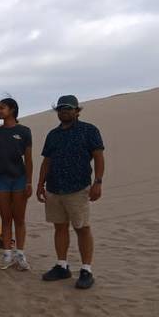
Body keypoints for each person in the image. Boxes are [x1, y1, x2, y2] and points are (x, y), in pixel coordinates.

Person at [37, 95, 104, 290]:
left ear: (77, 110)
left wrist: (98, 182)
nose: (63, 111)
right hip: (54, 188)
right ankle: (62, 265)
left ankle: (86, 269)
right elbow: (46, 161)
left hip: (78, 187)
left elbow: (98, 157)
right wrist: (40, 184)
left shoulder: (89, 130)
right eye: (60, 109)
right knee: (59, 227)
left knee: (82, 228)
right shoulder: (53, 135)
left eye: (67, 108)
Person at [0, 98, 32, 271]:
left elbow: (28, 159)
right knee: (6, 218)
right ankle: (7, 254)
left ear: (12, 109)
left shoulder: (24, 131)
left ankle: (20, 254)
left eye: (2, 108)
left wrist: (29, 181)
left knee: (19, 218)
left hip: (19, 179)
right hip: (1, 179)